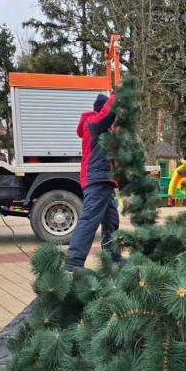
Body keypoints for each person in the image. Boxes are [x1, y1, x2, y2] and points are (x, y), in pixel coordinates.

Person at [65, 92, 120, 271]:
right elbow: (107, 115)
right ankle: (74, 260)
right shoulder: (94, 122)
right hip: (96, 178)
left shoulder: (103, 128)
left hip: (104, 179)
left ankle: (112, 258)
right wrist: (118, 94)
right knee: (90, 218)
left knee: (111, 220)